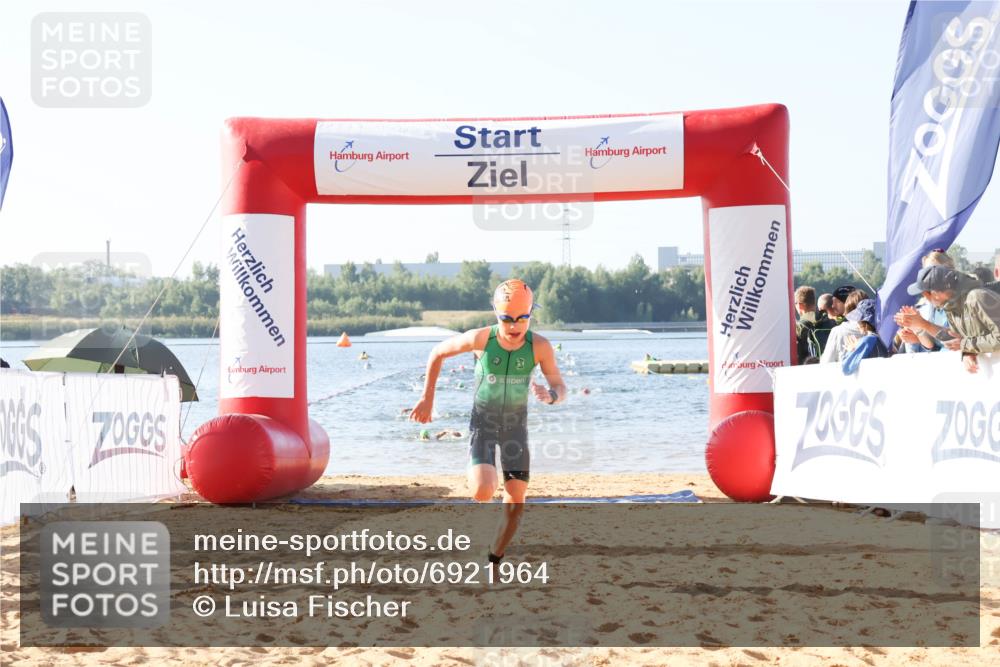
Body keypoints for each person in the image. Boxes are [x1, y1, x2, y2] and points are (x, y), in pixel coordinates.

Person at [410, 279, 566, 564]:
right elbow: (437, 353)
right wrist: (427, 399)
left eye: (522, 319)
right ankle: (476, 484)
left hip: (516, 428)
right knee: (484, 490)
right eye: (507, 319)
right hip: (483, 423)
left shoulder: (540, 347)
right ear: (497, 315)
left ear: (531, 315)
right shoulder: (480, 339)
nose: (514, 326)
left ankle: (493, 557)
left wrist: (552, 395)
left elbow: (559, 384)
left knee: (516, 503)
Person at [902, 265, 1000, 373]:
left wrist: (965, 345)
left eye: (925, 294)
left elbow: (966, 341)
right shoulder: (950, 308)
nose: (925, 299)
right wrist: (966, 352)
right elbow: (957, 339)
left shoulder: (978, 297)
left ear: (935, 294)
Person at [840, 299, 890, 374]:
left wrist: (852, 350)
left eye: (858, 320)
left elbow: (846, 368)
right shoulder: (884, 338)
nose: (857, 324)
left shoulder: (868, 340)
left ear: (865, 323)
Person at [820, 289, 869, 363]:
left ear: (847, 305)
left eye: (837, 301)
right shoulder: (877, 329)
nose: (833, 305)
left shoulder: (838, 331)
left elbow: (826, 362)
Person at [794, 285, 836, 363]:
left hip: (808, 368)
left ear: (800, 305)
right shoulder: (830, 321)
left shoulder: (797, 328)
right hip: (830, 366)